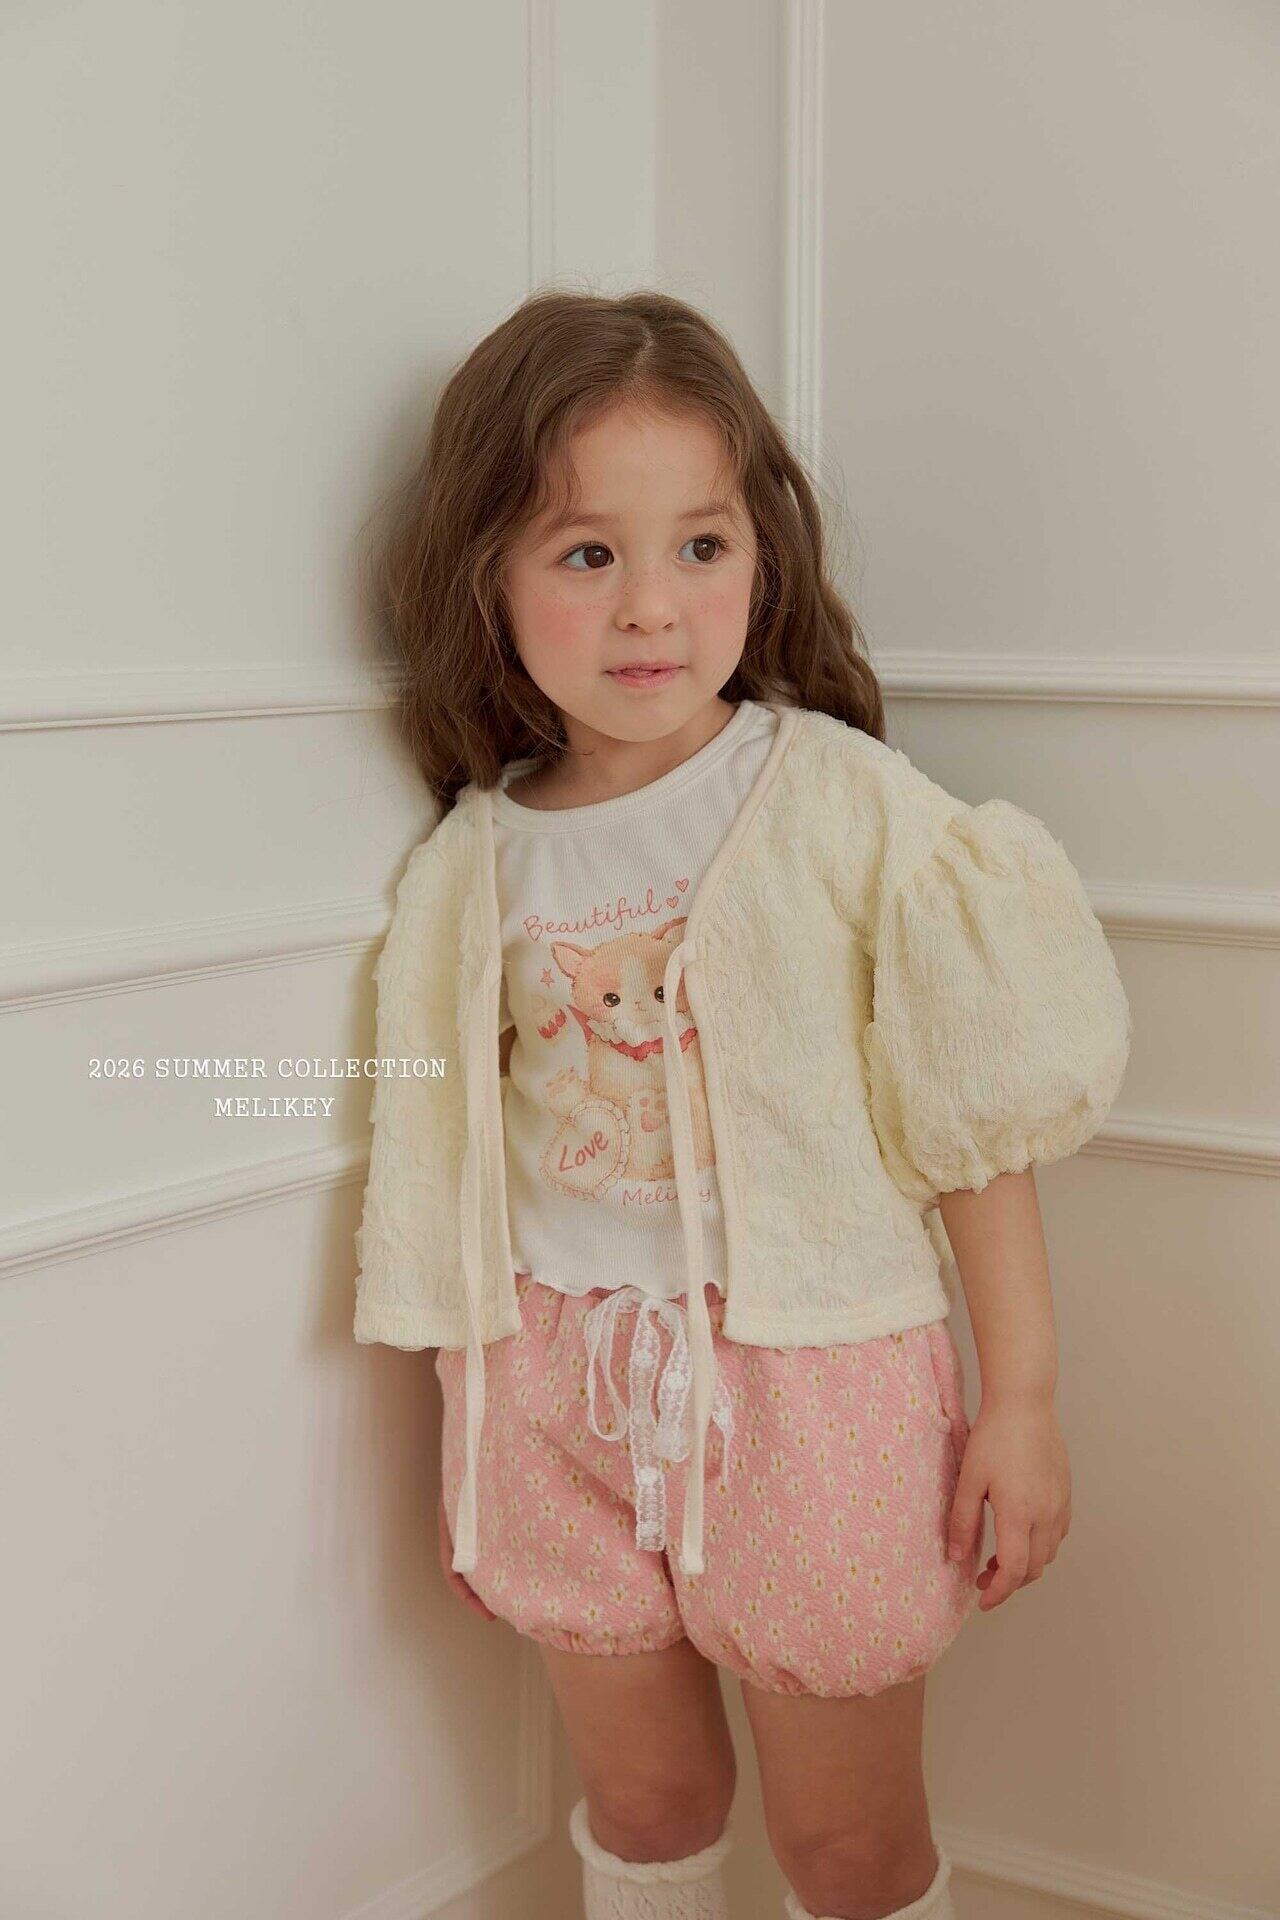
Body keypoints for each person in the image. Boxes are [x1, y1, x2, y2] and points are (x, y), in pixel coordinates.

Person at [352, 288, 1132, 1920]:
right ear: (486, 575)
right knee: (646, 1801)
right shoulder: (476, 860)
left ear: (760, 556)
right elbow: (440, 1167)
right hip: (552, 1382)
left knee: (845, 1847)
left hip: (815, 1384)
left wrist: (1025, 1397)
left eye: (700, 546)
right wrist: (471, 1423)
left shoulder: (841, 804)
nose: (653, 606)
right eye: (588, 553)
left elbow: (971, 1122)